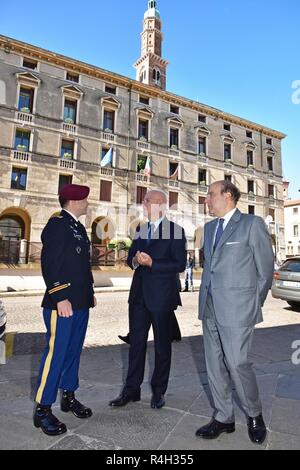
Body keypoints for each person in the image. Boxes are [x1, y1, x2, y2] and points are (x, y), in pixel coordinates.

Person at [196, 180, 274, 445]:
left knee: (237, 363)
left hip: (238, 309)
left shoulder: (252, 224)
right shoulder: (208, 228)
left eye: (210, 194)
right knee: (214, 365)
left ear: (227, 195)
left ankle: (254, 414)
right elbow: (210, 268)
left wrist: (253, 305)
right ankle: (223, 416)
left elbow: (265, 270)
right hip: (209, 307)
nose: (207, 199)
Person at [109, 190, 186, 409]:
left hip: (162, 298)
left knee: (162, 347)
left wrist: (153, 263)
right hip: (138, 297)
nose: (143, 204)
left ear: (160, 204)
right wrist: (135, 259)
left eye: (147, 201)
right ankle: (131, 390)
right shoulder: (141, 230)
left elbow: (179, 264)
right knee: (136, 345)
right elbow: (130, 259)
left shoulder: (175, 231)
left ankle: (159, 391)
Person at [34, 184, 96, 436]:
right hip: (63, 304)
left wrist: (88, 293)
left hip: (79, 301)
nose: (88, 204)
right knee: (56, 355)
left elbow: (80, 264)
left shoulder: (78, 227)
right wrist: (59, 296)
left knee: (72, 352)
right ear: (73, 201)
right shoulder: (57, 225)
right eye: (85, 200)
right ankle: (42, 410)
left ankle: (68, 396)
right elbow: (51, 263)